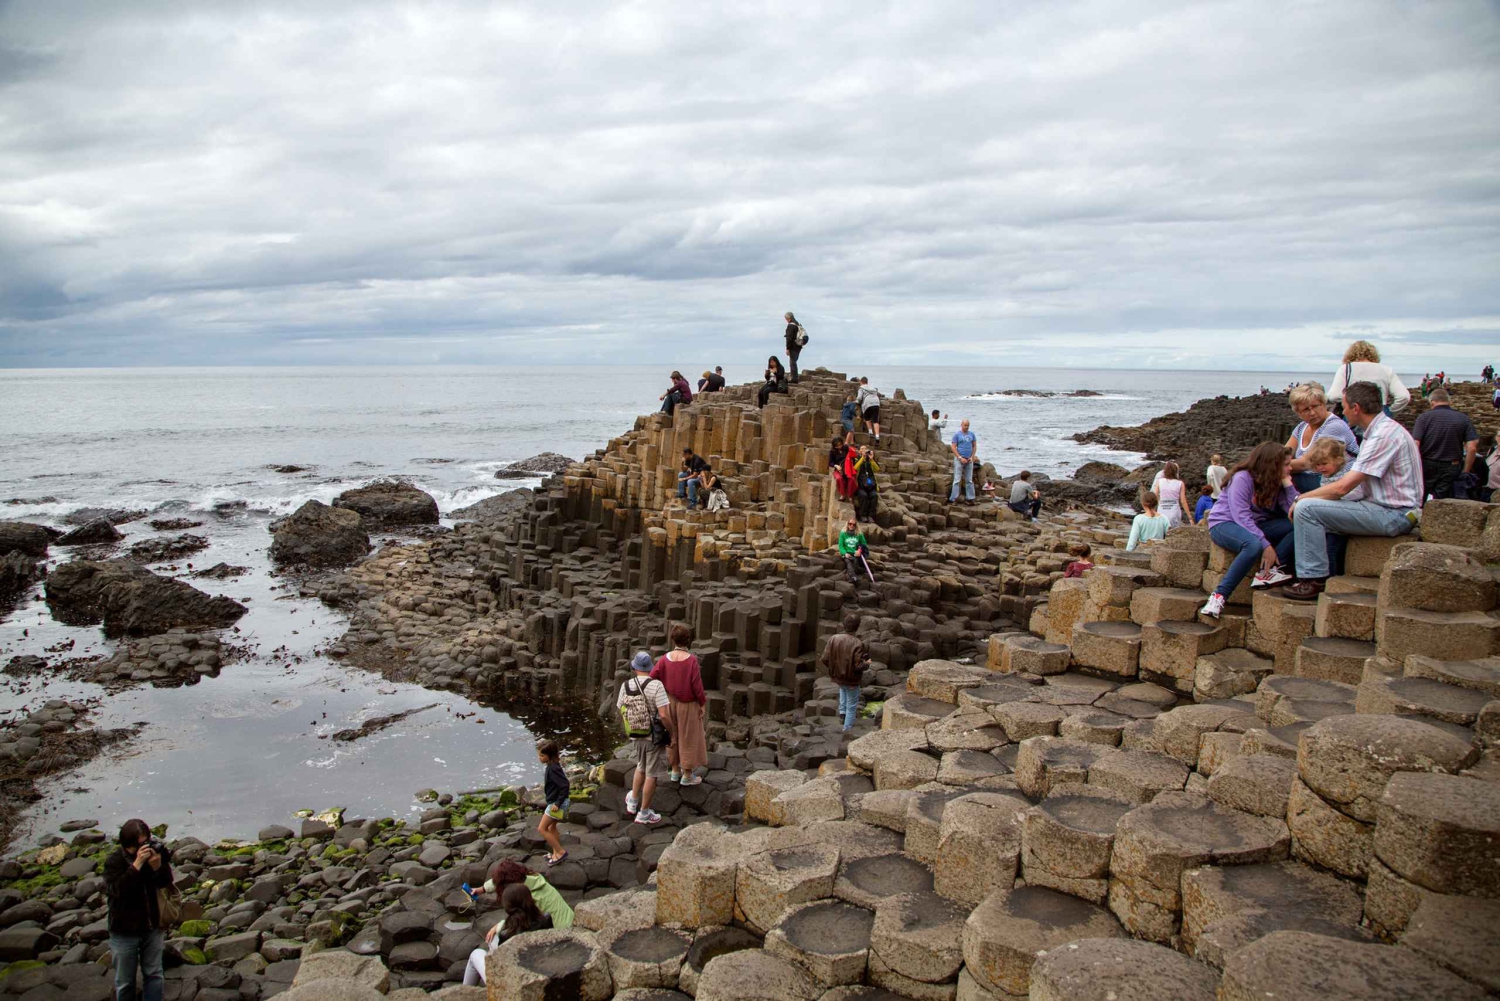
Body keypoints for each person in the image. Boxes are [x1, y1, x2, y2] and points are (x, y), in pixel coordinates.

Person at [1282, 381, 1421, 601]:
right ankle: (1319, 571)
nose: (1341, 411)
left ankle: (1313, 579)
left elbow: (1344, 486)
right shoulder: (1379, 431)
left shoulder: (1382, 437)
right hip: (1381, 505)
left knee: (1307, 509)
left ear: (1356, 408)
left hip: (1393, 513)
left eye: (1344, 405)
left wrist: (1300, 499)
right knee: (1317, 507)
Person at [1199, 443, 1299, 618]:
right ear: (1271, 464)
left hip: (1256, 525)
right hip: (1225, 523)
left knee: (1301, 525)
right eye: (1286, 465)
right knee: (1252, 545)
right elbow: (1241, 516)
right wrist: (1266, 545)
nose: (1290, 468)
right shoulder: (1242, 478)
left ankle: (1270, 571)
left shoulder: (1276, 482)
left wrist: (1287, 484)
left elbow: (1294, 512)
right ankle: (1219, 596)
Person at [105, 818, 173, 1001]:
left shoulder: (153, 855)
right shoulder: (114, 862)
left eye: (147, 841)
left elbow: (165, 882)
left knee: (154, 974)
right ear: (129, 845)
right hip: (124, 930)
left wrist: (158, 866)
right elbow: (117, 890)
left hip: (152, 925)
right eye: (142, 843)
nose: (146, 846)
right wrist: (136, 866)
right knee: (125, 982)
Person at [463, 882, 557, 986]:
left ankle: (465, 992)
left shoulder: (507, 935)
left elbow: (502, 964)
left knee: (475, 954)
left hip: (510, 984)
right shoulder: (546, 920)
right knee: (492, 940)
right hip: (540, 970)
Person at [618, 651, 672, 826]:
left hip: (635, 734)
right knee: (652, 774)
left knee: (640, 766)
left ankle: (633, 801)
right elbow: (663, 715)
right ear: (650, 668)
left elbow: (621, 708)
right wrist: (672, 732)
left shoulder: (626, 685)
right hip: (653, 737)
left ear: (634, 667)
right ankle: (644, 813)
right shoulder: (656, 685)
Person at [650, 624, 707, 785]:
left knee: (672, 736)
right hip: (687, 705)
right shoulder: (691, 661)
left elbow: (653, 677)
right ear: (688, 641)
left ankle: (675, 770)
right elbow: (697, 685)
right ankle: (687, 775)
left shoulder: (664, 659)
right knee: (688, 737)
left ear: (672, 639)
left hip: (668, 702)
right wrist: (702, 703)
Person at [1284, 382, 1359, 493]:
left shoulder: (1333, 426)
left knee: (1277, 480)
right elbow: (1284, 454)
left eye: (1315, 406)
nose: (1312, 413)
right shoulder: (1301, 427)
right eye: (1306, 409)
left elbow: (1305, 463)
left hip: (1335, 481)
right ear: (1298, 412)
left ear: (1323, 404)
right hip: (1314, 478)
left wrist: (1273, 467)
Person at [1411, 387, 1478, 502]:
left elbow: (1415, 444)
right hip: (1452, 465)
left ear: (1432, 402)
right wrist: (1465, 471)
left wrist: (1413, 467)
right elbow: (1472, 448)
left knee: (1419, 498)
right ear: (1449, 401)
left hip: (1426, 463)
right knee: (1441, 501)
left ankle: (1419, 516)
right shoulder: (1463, 418)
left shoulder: (1423, 418)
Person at [1326, 340, 1411, 423]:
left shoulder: (1346, 368)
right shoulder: (1387, 370)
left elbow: (1334, 396)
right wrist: (1390, 413)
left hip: (1354, 414)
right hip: (1380, 414)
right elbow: (1404, 397)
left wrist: (1351, 402)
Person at [479, 859, 573, 929]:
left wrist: (498, 927)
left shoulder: (528, 897)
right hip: (572, 920)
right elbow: (506, 878)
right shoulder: (534, 878)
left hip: (562, 932)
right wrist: (483, 889)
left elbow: (520, 921)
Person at [821, 613, 869, 731]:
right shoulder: (858, 643)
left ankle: (842, 714)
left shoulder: (834, 638)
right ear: (857, 627)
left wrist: (834, 668)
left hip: (837, 676)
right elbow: (858, 666)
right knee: (852, 706)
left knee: (842, 689)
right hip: (851, 680)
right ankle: (847, 730)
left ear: (844, 624)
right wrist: (867, 664)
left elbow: (824, 658)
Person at [536, 740, 569, 866]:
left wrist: (557, 803)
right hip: (558, 802)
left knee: (542, 828)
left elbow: (565, 786)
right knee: (551, 827)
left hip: (557, 804)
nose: (539, 758)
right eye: (539, 755)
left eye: (542, 756)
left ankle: (560, 852)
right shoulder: (552, 766)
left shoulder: (553, 769)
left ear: (550, 755)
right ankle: (555, 852)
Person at [1152, 461, 1190, 528]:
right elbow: (1183, 501)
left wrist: (1153, 510)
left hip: (1161, 511)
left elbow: (1155, 496)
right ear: (1175, 471)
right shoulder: (1180, 483)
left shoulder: (1160, 482)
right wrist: (1190, 517)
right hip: (1174, 513)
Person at [949, 420, 979, 504]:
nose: (966, 427)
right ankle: (954, 499)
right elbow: (953, 447)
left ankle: (970, 498)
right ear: (961, 425)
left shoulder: (972, 434)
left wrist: (972, 457)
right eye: (965, 425)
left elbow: (974, 446)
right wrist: (959, 457)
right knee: (957, 479)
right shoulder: (957, 435)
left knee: (969, 480)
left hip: (969, 460)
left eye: (968, 425)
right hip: (959, 459)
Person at [849, 445, 879, 522]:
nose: (864, 450)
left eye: (865, 449)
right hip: (860, 486)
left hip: (870, 485)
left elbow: (877, 469)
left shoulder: (870, 460)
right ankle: (863, 515)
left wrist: (871, 459)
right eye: (862, 449)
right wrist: (862, 457)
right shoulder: (857, 459)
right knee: (863, 495)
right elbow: (855, 468)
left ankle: (871, 516)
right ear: (859, 451)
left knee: (874, 495)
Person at [837, 517, 869, 585]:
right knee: (848, 562)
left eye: (853, 524)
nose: (851, 525)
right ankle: (853, 577)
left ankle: (862, 570)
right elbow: (841, 545)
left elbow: (864, 543)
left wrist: (859, 550)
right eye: (850, 524)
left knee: (855, 564)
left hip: (855, 554)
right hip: (847, 553)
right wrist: (845, 553)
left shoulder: (859, 533)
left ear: (856, 525)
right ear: (847, 524)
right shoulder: (843, 533)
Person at [856, 377, 881, 442]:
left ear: (861, 382)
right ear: (867, 382)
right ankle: (877, 436)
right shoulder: (872, 388)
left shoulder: (861, 388)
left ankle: (870, 432)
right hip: (876, 403)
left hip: (868, 403)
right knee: (875, 420)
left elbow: (859, 398)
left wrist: (856, 402)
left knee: (867, 417)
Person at [829, 436, 853, 500]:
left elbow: (851, 456)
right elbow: (830, 463)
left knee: (851, 479)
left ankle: (850, 494)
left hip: (847, 468)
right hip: (838, 469)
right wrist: (836, 466)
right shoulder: (832, 451)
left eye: (840, 445)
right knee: (839, 478)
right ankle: (842, 494)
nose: (839, 447)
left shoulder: (845, 448)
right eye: (837, 446)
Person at [784, 312, 806, 383]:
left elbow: (789, 338)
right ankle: (794, 377)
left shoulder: (791, 325)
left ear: (789, 318)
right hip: (798, 345)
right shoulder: (797, 324)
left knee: (792, 362)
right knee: (794, 361)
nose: (786, 320)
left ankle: (794, 378)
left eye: (786, 319)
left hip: (793, 346)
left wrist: (787, 348)